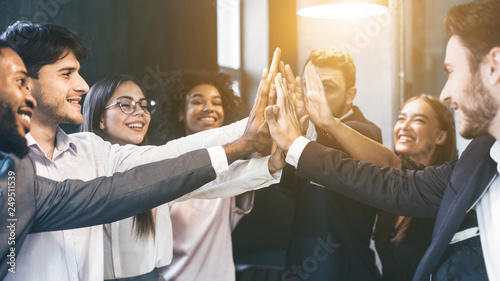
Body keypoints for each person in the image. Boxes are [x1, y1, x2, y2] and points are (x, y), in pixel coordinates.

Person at [1, 21, 284, 280]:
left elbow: (171, 158)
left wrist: (254, 136)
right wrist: (244, 143)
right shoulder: (10, 170)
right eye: (66, 74)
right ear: (25, 80)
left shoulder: (93, 151)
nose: (83, 85)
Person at [266, 1, 500, 280]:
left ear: (494, 67)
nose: (445, 93)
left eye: (450, 70)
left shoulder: (363, 131)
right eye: (401, 118)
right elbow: (395, 183)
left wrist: (300, 139)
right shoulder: (478, 160)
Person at [279, 47, 382, 281]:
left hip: (346, 269)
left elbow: (327, 153)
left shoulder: (365, 133)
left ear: (350, 95)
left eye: (327, 87)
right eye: (309, 86)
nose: (314, 95)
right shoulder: (304, 132)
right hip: (300, 263)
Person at [147, 70, 250, 281]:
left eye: (216, 102)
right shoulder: (164, 167)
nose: (209, 108)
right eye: (197, 101)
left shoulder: (232, 168)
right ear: (180, 113)